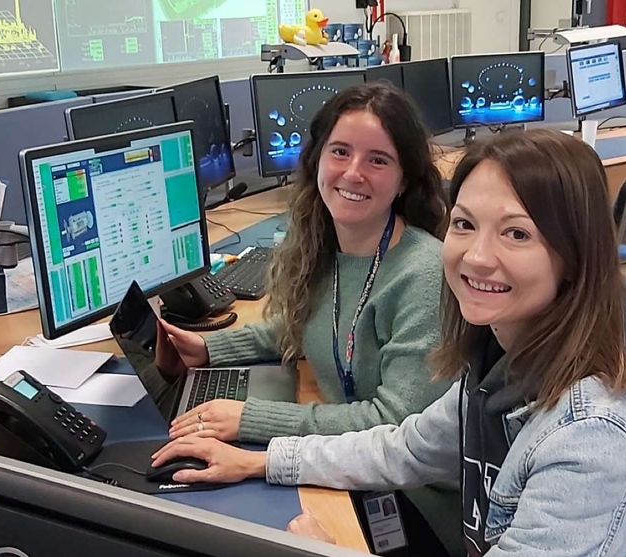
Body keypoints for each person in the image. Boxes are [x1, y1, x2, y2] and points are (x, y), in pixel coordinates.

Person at [152, 129, 626, 556]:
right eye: (464, 224)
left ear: (575, 255)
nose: (477, 256)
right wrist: (259, 462)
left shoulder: (593, 434)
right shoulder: (500, 364)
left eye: (517, 233)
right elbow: (404, 448)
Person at [163, 81, 459, 553]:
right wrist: (209, 347)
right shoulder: (330, 247)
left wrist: (251, 419)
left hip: (415, 503)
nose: (353, 172)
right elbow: (311, 326)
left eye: (378, 160)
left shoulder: (422, 275)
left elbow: (396, 423)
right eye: (340, 151)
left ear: (404, 179)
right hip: (352, 467)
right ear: (318, 158)